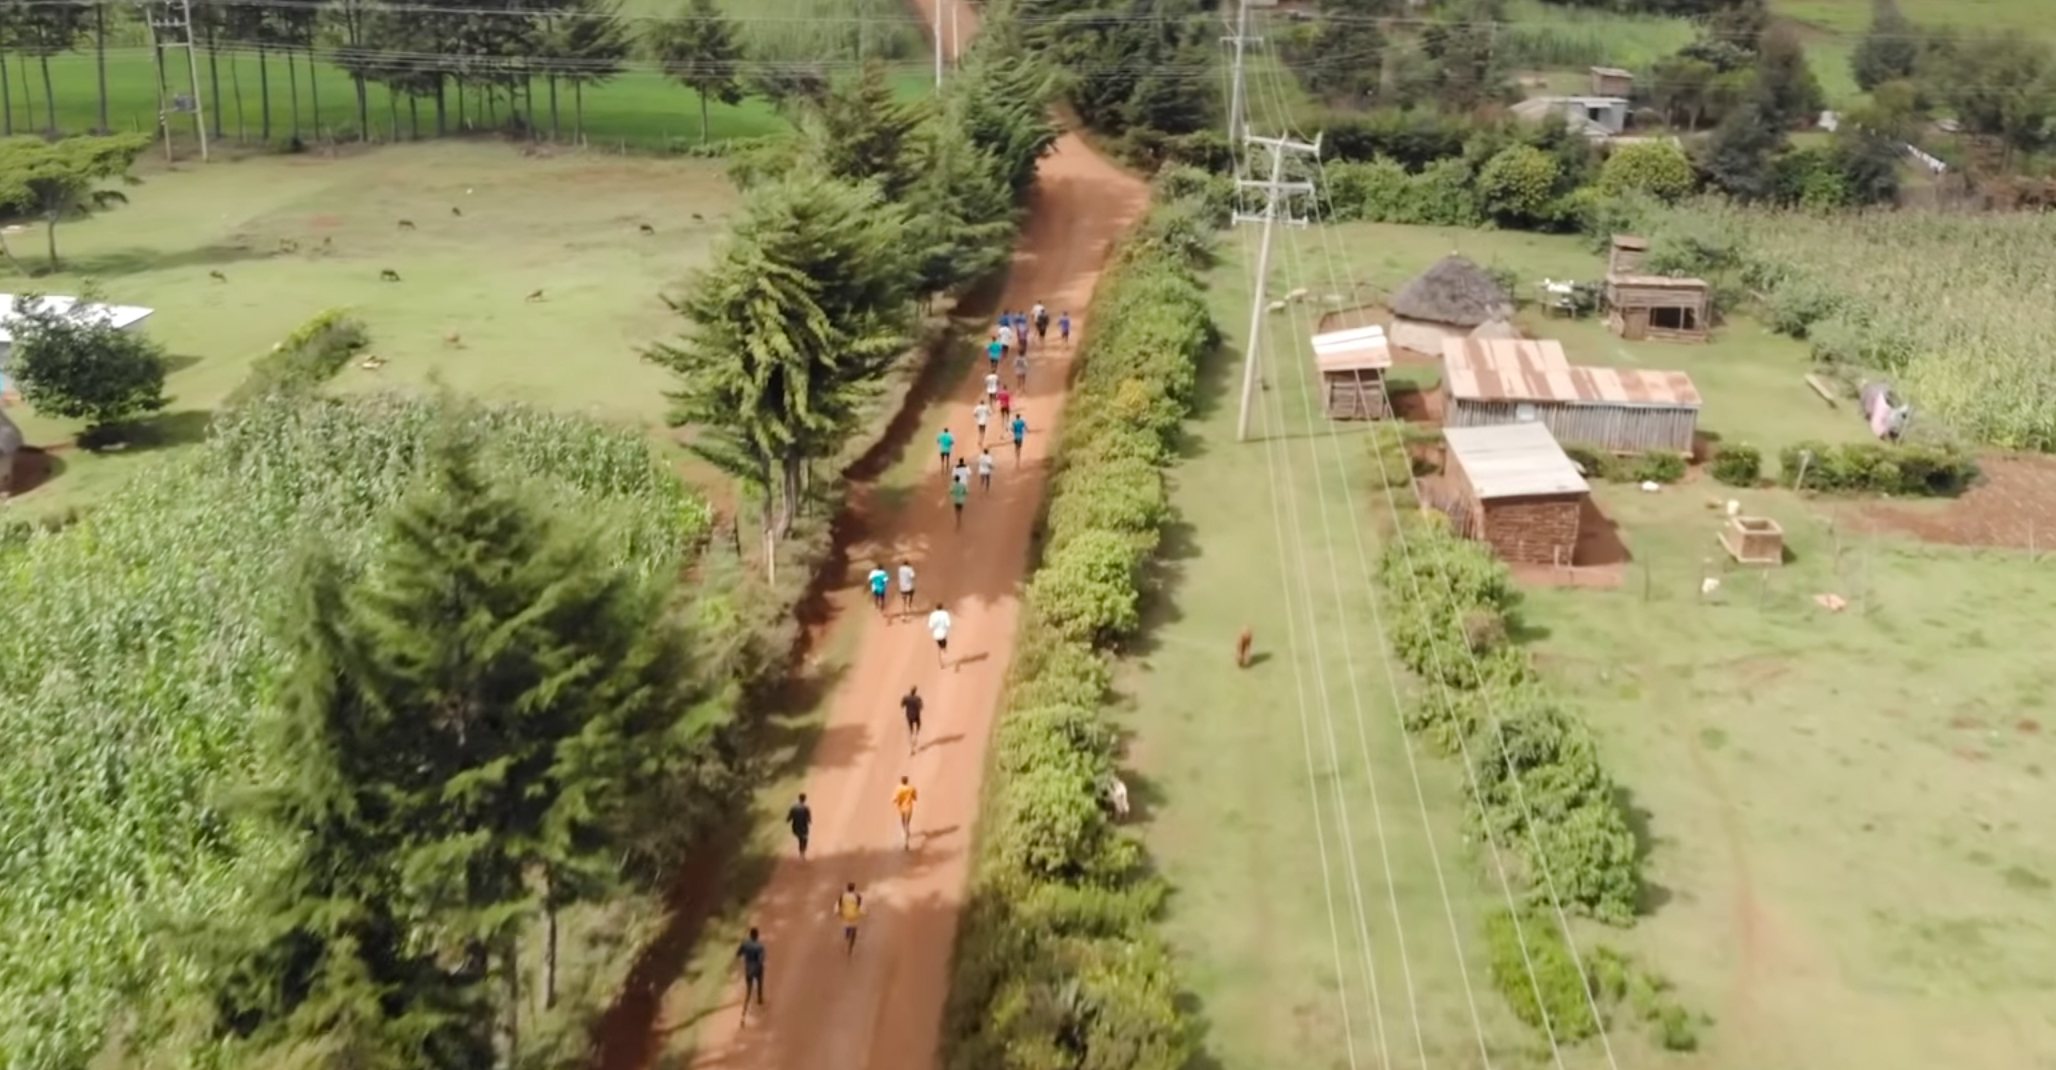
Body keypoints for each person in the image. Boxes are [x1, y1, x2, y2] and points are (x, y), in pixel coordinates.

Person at [736, 927, 767, 1018]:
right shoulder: (760, 946)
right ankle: (759, 998)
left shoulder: (745, 944)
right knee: (760, 982)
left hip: (748, 968)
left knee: (749, 987)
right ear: (757, 936)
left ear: (750, 935)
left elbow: (738, 954)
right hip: (757, 968)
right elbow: (762, 959)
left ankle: (747, 1003)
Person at [834, 883, 864, 956]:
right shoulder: (857, 897)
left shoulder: (843, 896)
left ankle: (847, 933)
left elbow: (838, 906)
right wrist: (863, 913)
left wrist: (837, 913)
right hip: (855, 916)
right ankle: (851, 944)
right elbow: (862, 907)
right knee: (854, 929)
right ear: (854, 889)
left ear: (847, 888)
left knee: (846, 926)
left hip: (845, 916)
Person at [892, 775, 918, 851]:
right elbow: (915, 798)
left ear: (901, 781)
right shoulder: (911, 788)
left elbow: (895, 798)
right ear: (907, 781)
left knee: (903, 822)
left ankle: (905, 835)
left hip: (902, 808)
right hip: (909, 808)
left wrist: (894, 800)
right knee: (907, 822)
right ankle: (906, 838)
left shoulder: (898, 788)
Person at [786, 793, 812, 858]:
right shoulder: (806, 808)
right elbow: (809, 819)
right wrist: (809, 821)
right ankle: (802, 851)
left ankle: (801, 852)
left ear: (799, 799)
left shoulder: (793, 808)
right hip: (803, 827)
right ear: (805, 799)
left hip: (795, 827)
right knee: (804, 838)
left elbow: (788, 818)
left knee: (800, 839)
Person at [900, 685, 924, 755]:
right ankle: (916, 735)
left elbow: (902, 705)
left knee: (910, 730)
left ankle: (911, 748)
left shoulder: (906, 698)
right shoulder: (918, 698)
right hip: (916, 715)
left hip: (909, 716)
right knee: (919, 725)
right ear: (915, 691)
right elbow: (921, 707)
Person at [927, 602, 952, 668]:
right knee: (943, 649)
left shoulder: (933, 615)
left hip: (936, 635)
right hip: (943, 634)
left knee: (940, 648)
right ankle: (944, 660)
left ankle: (941, 662)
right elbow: (948, 624)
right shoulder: (945, 614)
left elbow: (930, 626)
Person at [949, 465, 969, 529]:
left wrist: (954, 493)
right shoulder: (962, 485)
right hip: (961, 500)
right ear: (959, 479)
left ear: (955, 479)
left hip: (955, 500)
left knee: (956, 511)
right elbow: (966, 492)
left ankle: (957, 520)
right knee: (960, 511)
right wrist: (963, 494)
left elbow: (951, 492)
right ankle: (959, 520)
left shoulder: (953, 485)